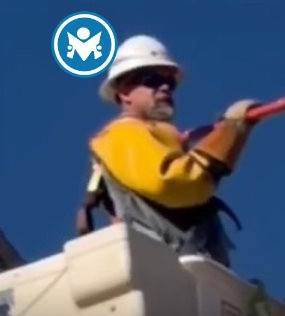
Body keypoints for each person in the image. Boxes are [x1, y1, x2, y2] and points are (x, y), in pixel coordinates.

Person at [77, 34, 263, 267]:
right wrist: (231, 131)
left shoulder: (152, 137)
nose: (165, 87)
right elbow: (175, 184)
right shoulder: (123, 133)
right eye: (153, 80)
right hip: (169, 267)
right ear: (124, 92)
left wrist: (222, 134)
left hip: (184, 269)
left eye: (169, 82)